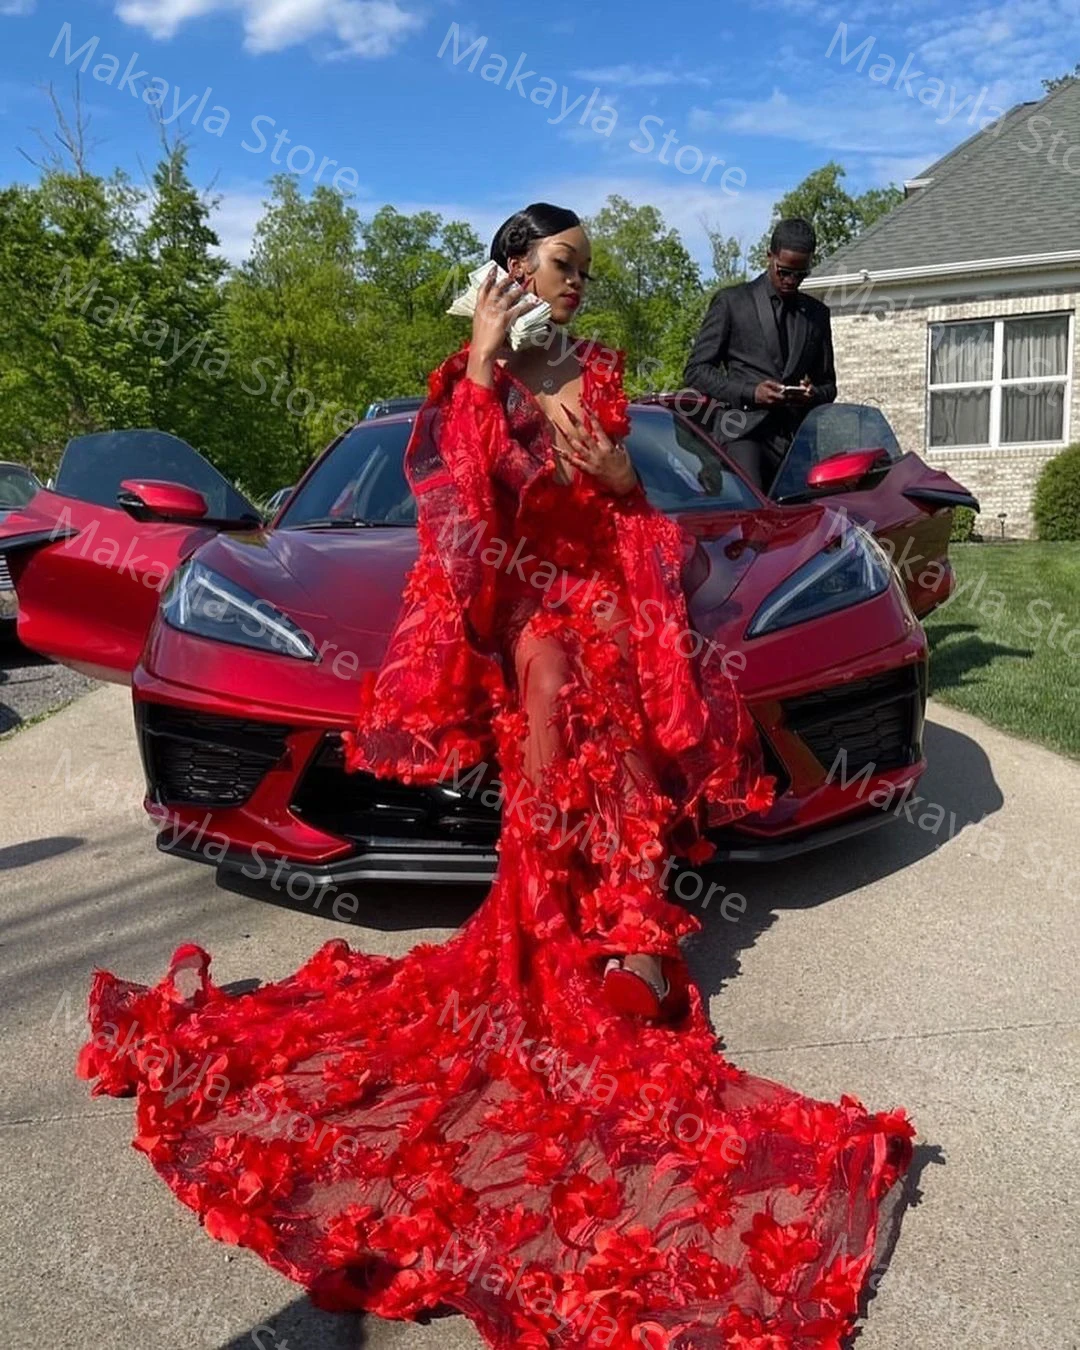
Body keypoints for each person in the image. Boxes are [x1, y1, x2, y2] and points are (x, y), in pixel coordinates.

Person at [77, 204, 912, 1347]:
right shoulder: (465, 384)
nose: (576, 285)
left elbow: (627, 511)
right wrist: (481, 365)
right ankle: (584, 929)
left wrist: (620, 467)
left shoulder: (600, 372)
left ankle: (629, 933)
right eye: (562, 267)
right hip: (515, 603)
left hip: (613, 588)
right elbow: (461, 521)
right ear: (512, 268)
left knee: (604, 673)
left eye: (583, 271)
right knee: (558, 667)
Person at [683, 217, 837, 492]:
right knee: (756, 517)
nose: (791, 281)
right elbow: (696, 371)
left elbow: (829, 386)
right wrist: (751, 392)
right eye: (784, 271)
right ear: (769, 256)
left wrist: (811, 394)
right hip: (742, 432)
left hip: (795, 443)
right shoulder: (732, 302)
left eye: (800, 275)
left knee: (804, 526)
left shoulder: (817, 315)